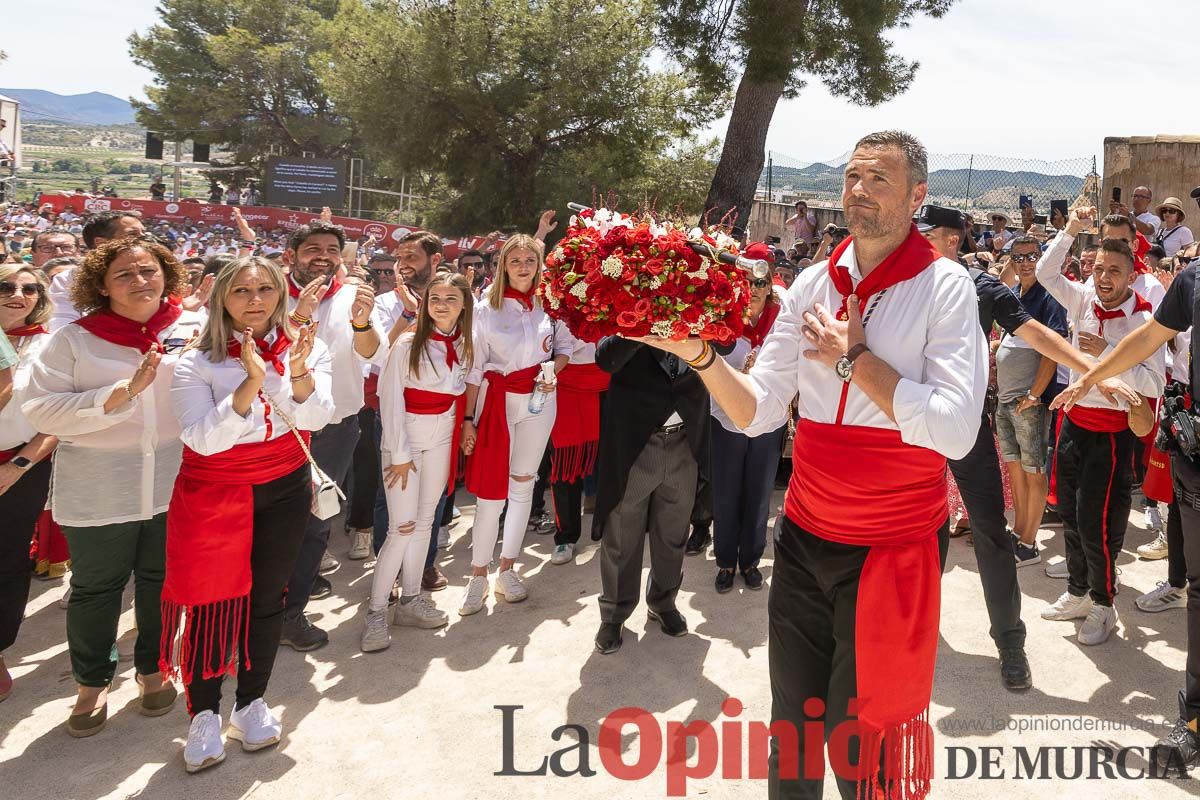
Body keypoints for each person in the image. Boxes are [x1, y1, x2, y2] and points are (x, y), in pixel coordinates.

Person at [639, 131, 987, 798]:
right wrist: (700, 355)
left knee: (864, 744)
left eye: (877, 179)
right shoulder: (809, 285)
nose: (857, 190)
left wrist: (855, 362)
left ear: (917, 196)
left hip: (887, 550)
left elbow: (954, 431)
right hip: (802, 539)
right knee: (793, 733)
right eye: (852, 177)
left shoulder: (946, 289)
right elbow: (758, 411)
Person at [918, 204, 1141, 689]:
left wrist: (1092, 366)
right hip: (913, 429)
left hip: (966, 429)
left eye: (925, 234)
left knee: (991, 534)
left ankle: (1010, 643)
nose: (912, 241)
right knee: (922, 528)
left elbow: (1036, 332)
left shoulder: (982, 288)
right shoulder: (904, 284)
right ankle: (917, 625)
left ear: (951, 240)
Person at [23, 237, 205, 737]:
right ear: (101, 286)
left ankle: (152, 669)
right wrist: (121, 394)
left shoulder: (193, 327)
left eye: (149, 270)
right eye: (124, 274)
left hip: (173, 477)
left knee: (160, 583)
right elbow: (39, 409)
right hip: (100, 481)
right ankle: (91, 681)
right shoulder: (74, 339)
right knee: (96, 588)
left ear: (167, 274)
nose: (140, 281)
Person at [164, 256, 333, 772]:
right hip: (216, 492)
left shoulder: (304, 347)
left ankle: (251, 702)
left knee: (267, 598)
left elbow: (317, 416)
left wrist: (297, 370)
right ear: (221, 298)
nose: (255, 300)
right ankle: (204, 713)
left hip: (284, 486)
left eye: (266, 290)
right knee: (213, 605)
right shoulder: (195, 360)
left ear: (281, 296)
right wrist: (249, 383)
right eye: (242, 291)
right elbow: (201, 440)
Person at [1034, 210, 1165, 645]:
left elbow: (1153, 382)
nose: (1104, 278)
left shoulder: (1143, 322)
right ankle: (1078, 591)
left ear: (1131, 276)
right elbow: (1045, 271)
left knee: (1098, 521)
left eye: (1114, 271)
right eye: (1098, 269)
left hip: (1112, 434)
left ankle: (1104, 603)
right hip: (1073, 422)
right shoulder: (1083, 298)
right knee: (1069, 513)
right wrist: (1071, 229)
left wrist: (1109, 353)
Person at [279, 221, 385, 651]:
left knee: (316, 520)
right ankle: (256, 607)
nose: (321, 256)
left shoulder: (353, 296)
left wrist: (362, 323)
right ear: (292, 255)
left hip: (337, 425)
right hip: (277, 428)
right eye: (312, 249)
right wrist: (300, 313)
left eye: (330, 249)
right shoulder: (267, 292)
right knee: (270, 520)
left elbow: (373, 352)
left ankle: (290, 613)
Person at [361, 272, 473, 651]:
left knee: (426, 522)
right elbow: (389, 399)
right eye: (435, 297)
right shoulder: (408, 343)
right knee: (401, 528)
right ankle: (376, 610)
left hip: (441, 438)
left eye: (451, 298)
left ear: (463, 305)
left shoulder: (465, 343)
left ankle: (410, 599)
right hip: (404, 440)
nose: (442, 304)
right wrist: (400, 452)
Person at [460, 235, 570, 615]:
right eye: (515, 260)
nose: (524, 266)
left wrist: (550, 372)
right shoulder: (485, 310)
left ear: (539, 265)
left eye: (530, 260)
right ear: (503, 265)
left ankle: (507, 567)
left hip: (540, 402)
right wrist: (469, 420)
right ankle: (477, 574)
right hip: (497, 403)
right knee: (491, 493)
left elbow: (565, 351)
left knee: (523, 484)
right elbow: (474, 369)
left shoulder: (550, 307)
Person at [708, 241, 786, 593]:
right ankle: (725, 560)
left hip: (769, 419)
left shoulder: (782, 320)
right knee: (726, 489)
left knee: (758, 492)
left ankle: (751, 559)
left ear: (771, 285)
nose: (754, 289)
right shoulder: (721, 319)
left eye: (761, 282)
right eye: (747, 281)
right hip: (727, 416)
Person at [0, 265, 58, 704]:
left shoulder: (52, 345)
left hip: (20, 464)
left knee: (6, 560)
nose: (18, 294)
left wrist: (16, 466)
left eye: (29, 288)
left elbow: (60, 417)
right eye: (5, 286)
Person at [995, 235, 1068, 567]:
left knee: (1033, 471)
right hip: (1009, 401)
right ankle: (1020, 530)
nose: (1025, 263)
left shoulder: (1049, 297)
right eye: (1018, 257)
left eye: (1031, 257)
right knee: (1016, 470)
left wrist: (1035, 394)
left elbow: (1051, 353)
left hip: (1029, 403)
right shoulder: (1015, 294)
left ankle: (1028, 541)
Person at [547, 332, 609, 565]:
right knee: (565, 467)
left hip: (606, 383)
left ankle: (608, 529)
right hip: (565, 386)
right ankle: (566, 536)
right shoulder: (551, 304)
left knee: (609, 464)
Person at [47, 212, 148, 330]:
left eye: (143, 233)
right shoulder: (68, 280)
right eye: (132, 234)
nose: (144, 239)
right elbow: (61, 328)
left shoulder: (157, 274)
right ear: (101, 243)